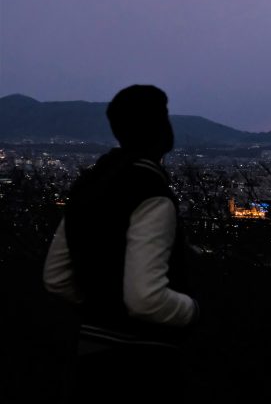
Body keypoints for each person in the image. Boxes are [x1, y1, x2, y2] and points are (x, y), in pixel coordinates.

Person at [43, 85, 199, 400]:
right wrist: (192, 310)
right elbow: (145, 299)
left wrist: (99, 304)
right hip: (143, 366)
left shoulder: (89, 184)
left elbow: (56, 278)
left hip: (87, 358)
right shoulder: (149, 189)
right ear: (160, 127)